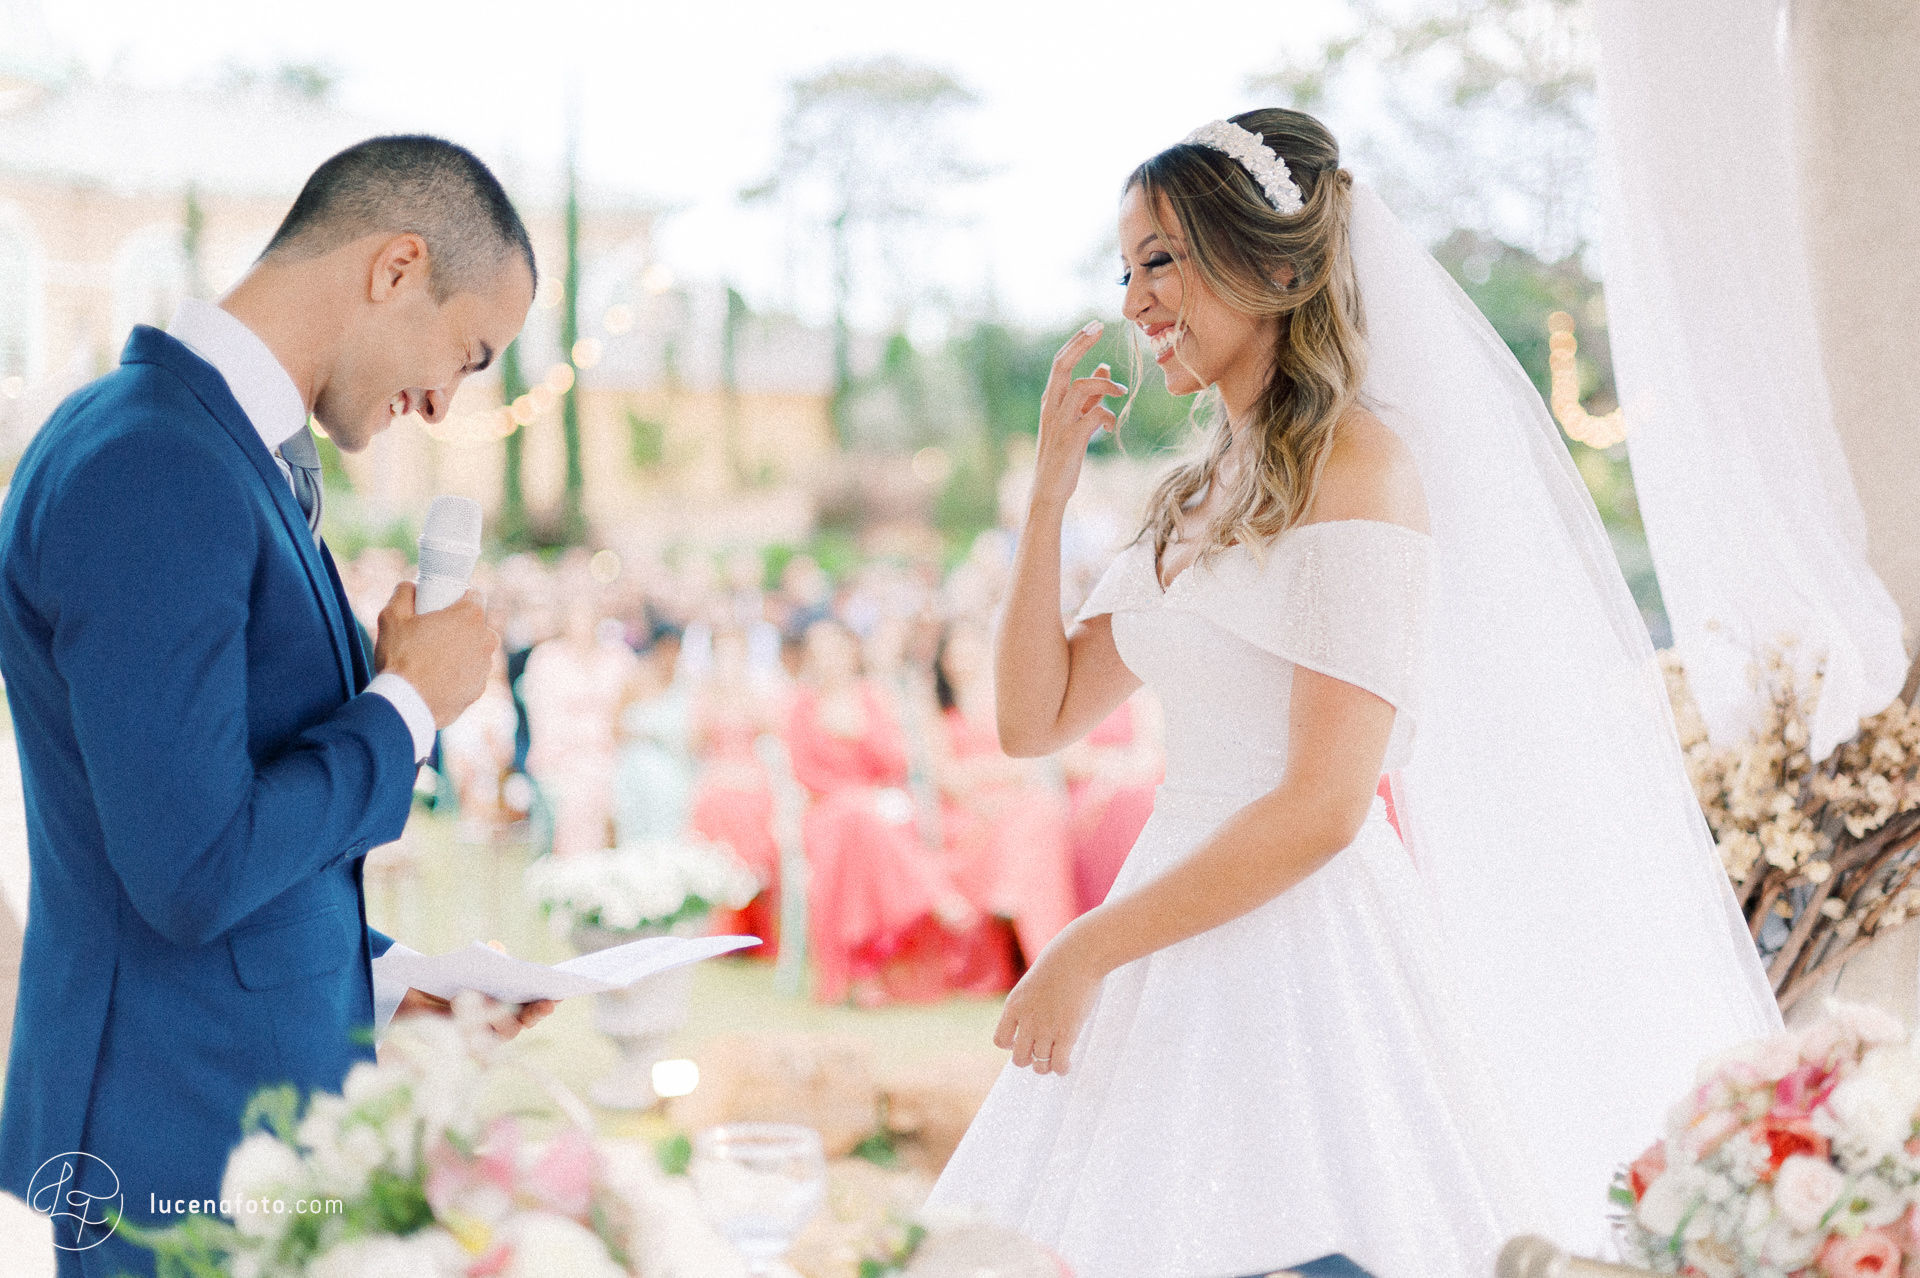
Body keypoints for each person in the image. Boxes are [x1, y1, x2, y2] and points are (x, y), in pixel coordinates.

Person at [927, 110, 1781, 1277]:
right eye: (1124, 271)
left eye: (1162, 260)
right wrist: (1046, 496)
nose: (1136, 301)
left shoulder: (1360, 468)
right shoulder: (1193, 494)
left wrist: (1086, 948)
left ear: (1276, 269)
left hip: (1303, 950)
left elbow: (1326, 806)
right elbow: (1037, 717)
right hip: (1165, 931)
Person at [0, 136, 561, 1275]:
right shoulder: (153, 460)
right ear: (396, 267)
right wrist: (409, 704)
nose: (443, 402)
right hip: (172, 1145)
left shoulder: (216, 451)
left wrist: (392, 979)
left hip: (237, 1114)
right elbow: (191, 868)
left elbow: (221, 819)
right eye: (466, 355)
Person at [784, 619, 973, 1005]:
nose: (828, 659)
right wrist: (852, 796)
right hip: (827, 814)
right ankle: (932, 893)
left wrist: (859, 732)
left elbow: (894, 762)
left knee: (865, 824)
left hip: (877, 811)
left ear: (850, 652)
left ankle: (866, 971)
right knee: (855, 816)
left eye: (835, 650)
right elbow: (804, 773)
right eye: (819, 652)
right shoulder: (801, 706)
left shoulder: (871, 699)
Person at [931, 618, 1077, 983]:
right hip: (965, 809)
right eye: (955, 652)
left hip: (1012, 802)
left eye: (970, 650)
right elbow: (945, 774)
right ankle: (1008, 897)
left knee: (1041, 811)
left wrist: (983, 774)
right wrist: (983, 790)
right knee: (1016, 821)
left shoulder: (1003, 701)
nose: (963, 659)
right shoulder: (939, 712)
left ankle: (1026, 917)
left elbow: (1024, 764)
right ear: (944, 661)